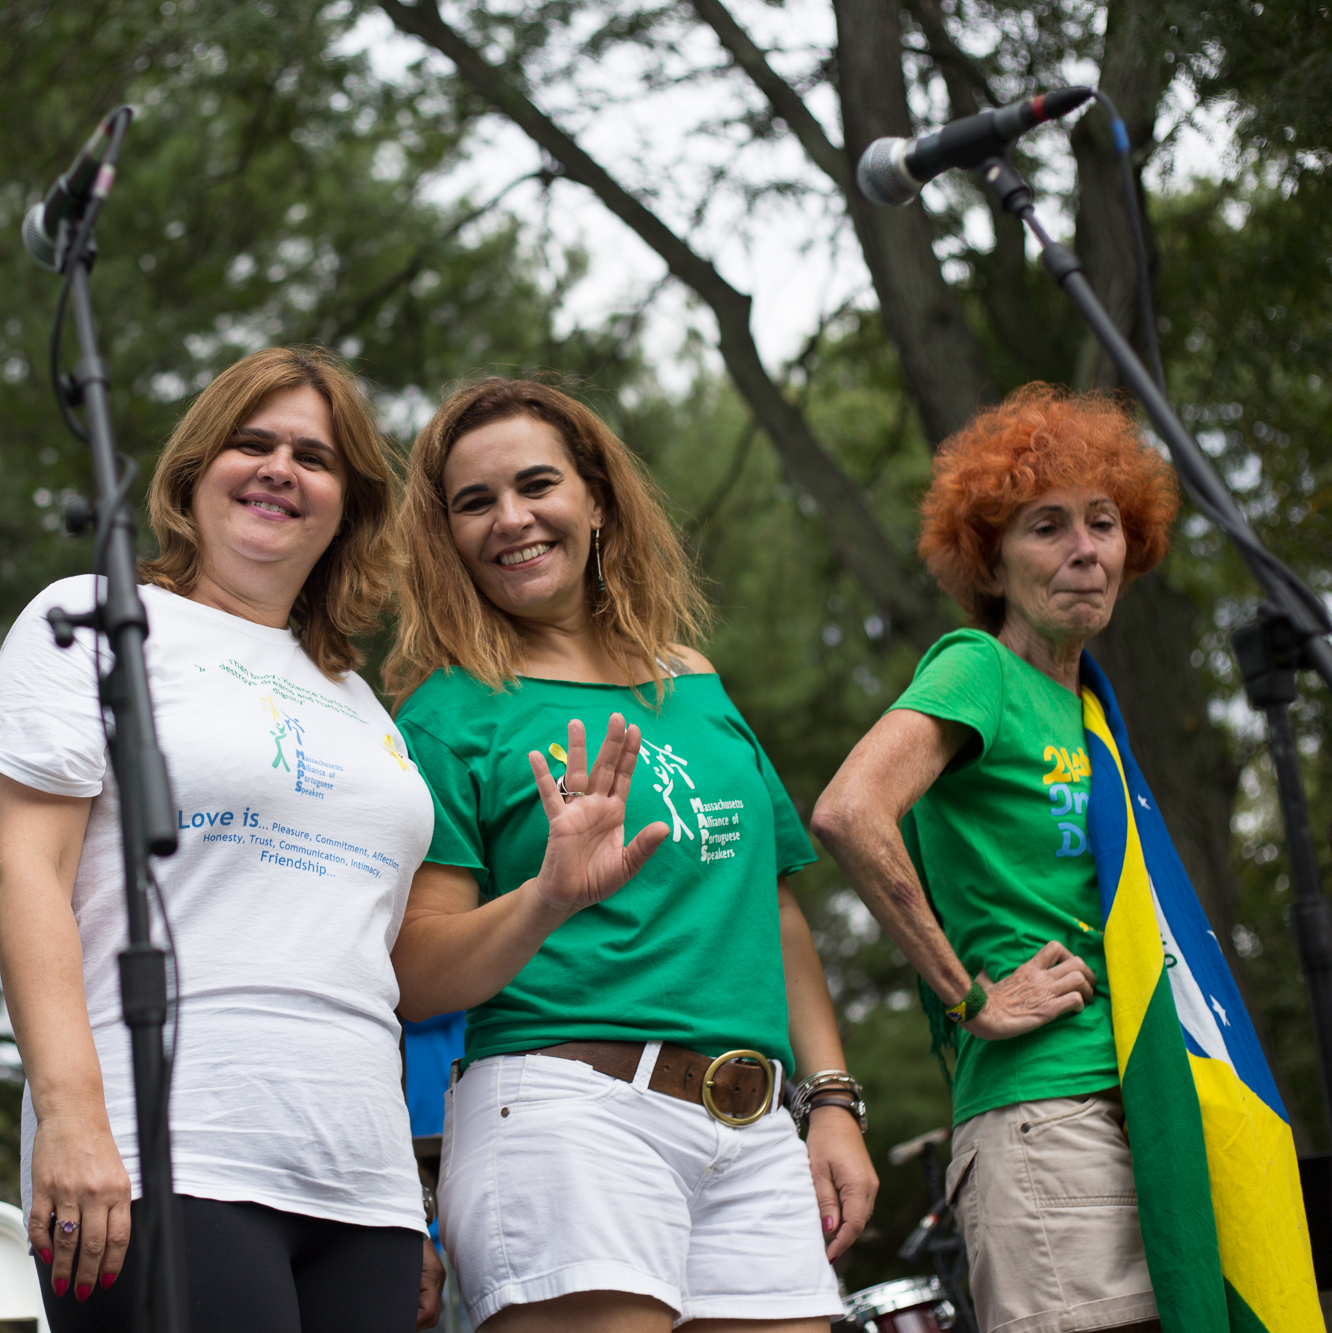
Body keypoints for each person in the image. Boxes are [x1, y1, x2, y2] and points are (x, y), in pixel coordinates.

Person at [385, 377, 874, 1332]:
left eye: (537, 485)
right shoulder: (444, 714)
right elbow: (411, 974)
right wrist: (547, 897)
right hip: (568, 1117)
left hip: (754, 1127)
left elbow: (772, 914)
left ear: (598, 499)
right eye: (474, 502)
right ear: (446, 536)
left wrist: (832, 1104)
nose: (511, 519)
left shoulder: (695, 684)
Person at [0, 346, 443, 1332]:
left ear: (349, 504)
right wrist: (69, 1116)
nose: (279, 468)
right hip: (164, 1151)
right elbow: (23, 876)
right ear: (192, 473)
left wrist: (551, 894)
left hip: (363, 1184)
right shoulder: (92, 622)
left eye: (312, 457)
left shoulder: (360, 700)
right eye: (251, 442)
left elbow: (375, 955)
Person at [810, 385, 1182, 1333]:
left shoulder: (1090, 709)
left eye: (1103, 523)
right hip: (1042, 1113)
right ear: (991, 555)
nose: (1084, 548)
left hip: (1140, 1100)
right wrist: (970, 996)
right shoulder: (980, 665)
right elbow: (851, 811)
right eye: (1045, 526)